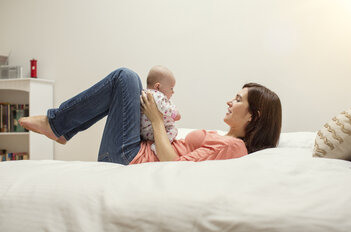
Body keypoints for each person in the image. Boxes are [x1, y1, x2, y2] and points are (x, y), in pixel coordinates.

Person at [18, 67, 282, 165]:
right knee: (127, 81)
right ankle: (59, 127)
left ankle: (57, 125)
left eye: (238, 100)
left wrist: (156, 119)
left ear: (253, 117)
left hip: (130, 158)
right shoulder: (227, 141)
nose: (230, 101)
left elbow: (176, 166)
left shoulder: (233, 147)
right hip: (134, 150)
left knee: (127, 78)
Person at [141, 65, 181, 154]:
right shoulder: (157, 95)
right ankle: (157, 146)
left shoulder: (143, 93)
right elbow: (165, 108)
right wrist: (175, 114)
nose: (173, 92)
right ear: (158, 87)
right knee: (173, 130)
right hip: (153, 132)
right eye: (171, 88)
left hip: (143, 131)